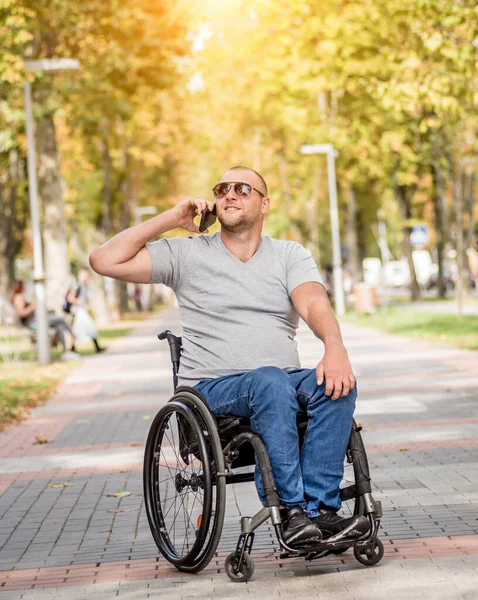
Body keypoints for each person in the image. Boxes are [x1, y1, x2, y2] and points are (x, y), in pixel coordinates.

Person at [89, 166, 369, 548]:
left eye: (242, 188)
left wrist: (334, 348)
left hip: (280, 382)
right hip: (213, 388)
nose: (229, 194)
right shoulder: (186, 254)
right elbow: (104, 260)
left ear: (265, 203)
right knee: (268, 380)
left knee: (335, 383)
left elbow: (314, 301)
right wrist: (173, 218)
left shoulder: (289, 254)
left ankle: (319, 510)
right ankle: (291, 512)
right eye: (222, 189)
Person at [11, 280, 79, 360]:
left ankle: (65, 351)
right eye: (24, 285)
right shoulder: (18, 297)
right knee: (61, 318)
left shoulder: (20, 296)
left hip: (36, 320)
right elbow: (21, 313)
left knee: (59, 325)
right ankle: (74, 335)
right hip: (33, 323)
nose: (25, 287)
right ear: (20, 287)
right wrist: (32, 307)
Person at [67, 268, 105, 354]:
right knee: (82, 329)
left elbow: (87, 298)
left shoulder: (85, 286)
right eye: (82, 275)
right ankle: (73, 349)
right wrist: (78, 303)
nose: (84, 277)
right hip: (78, 311)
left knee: (86, 328)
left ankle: (74, 348)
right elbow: (70, 298)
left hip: (83, 310)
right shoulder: (77, 286)